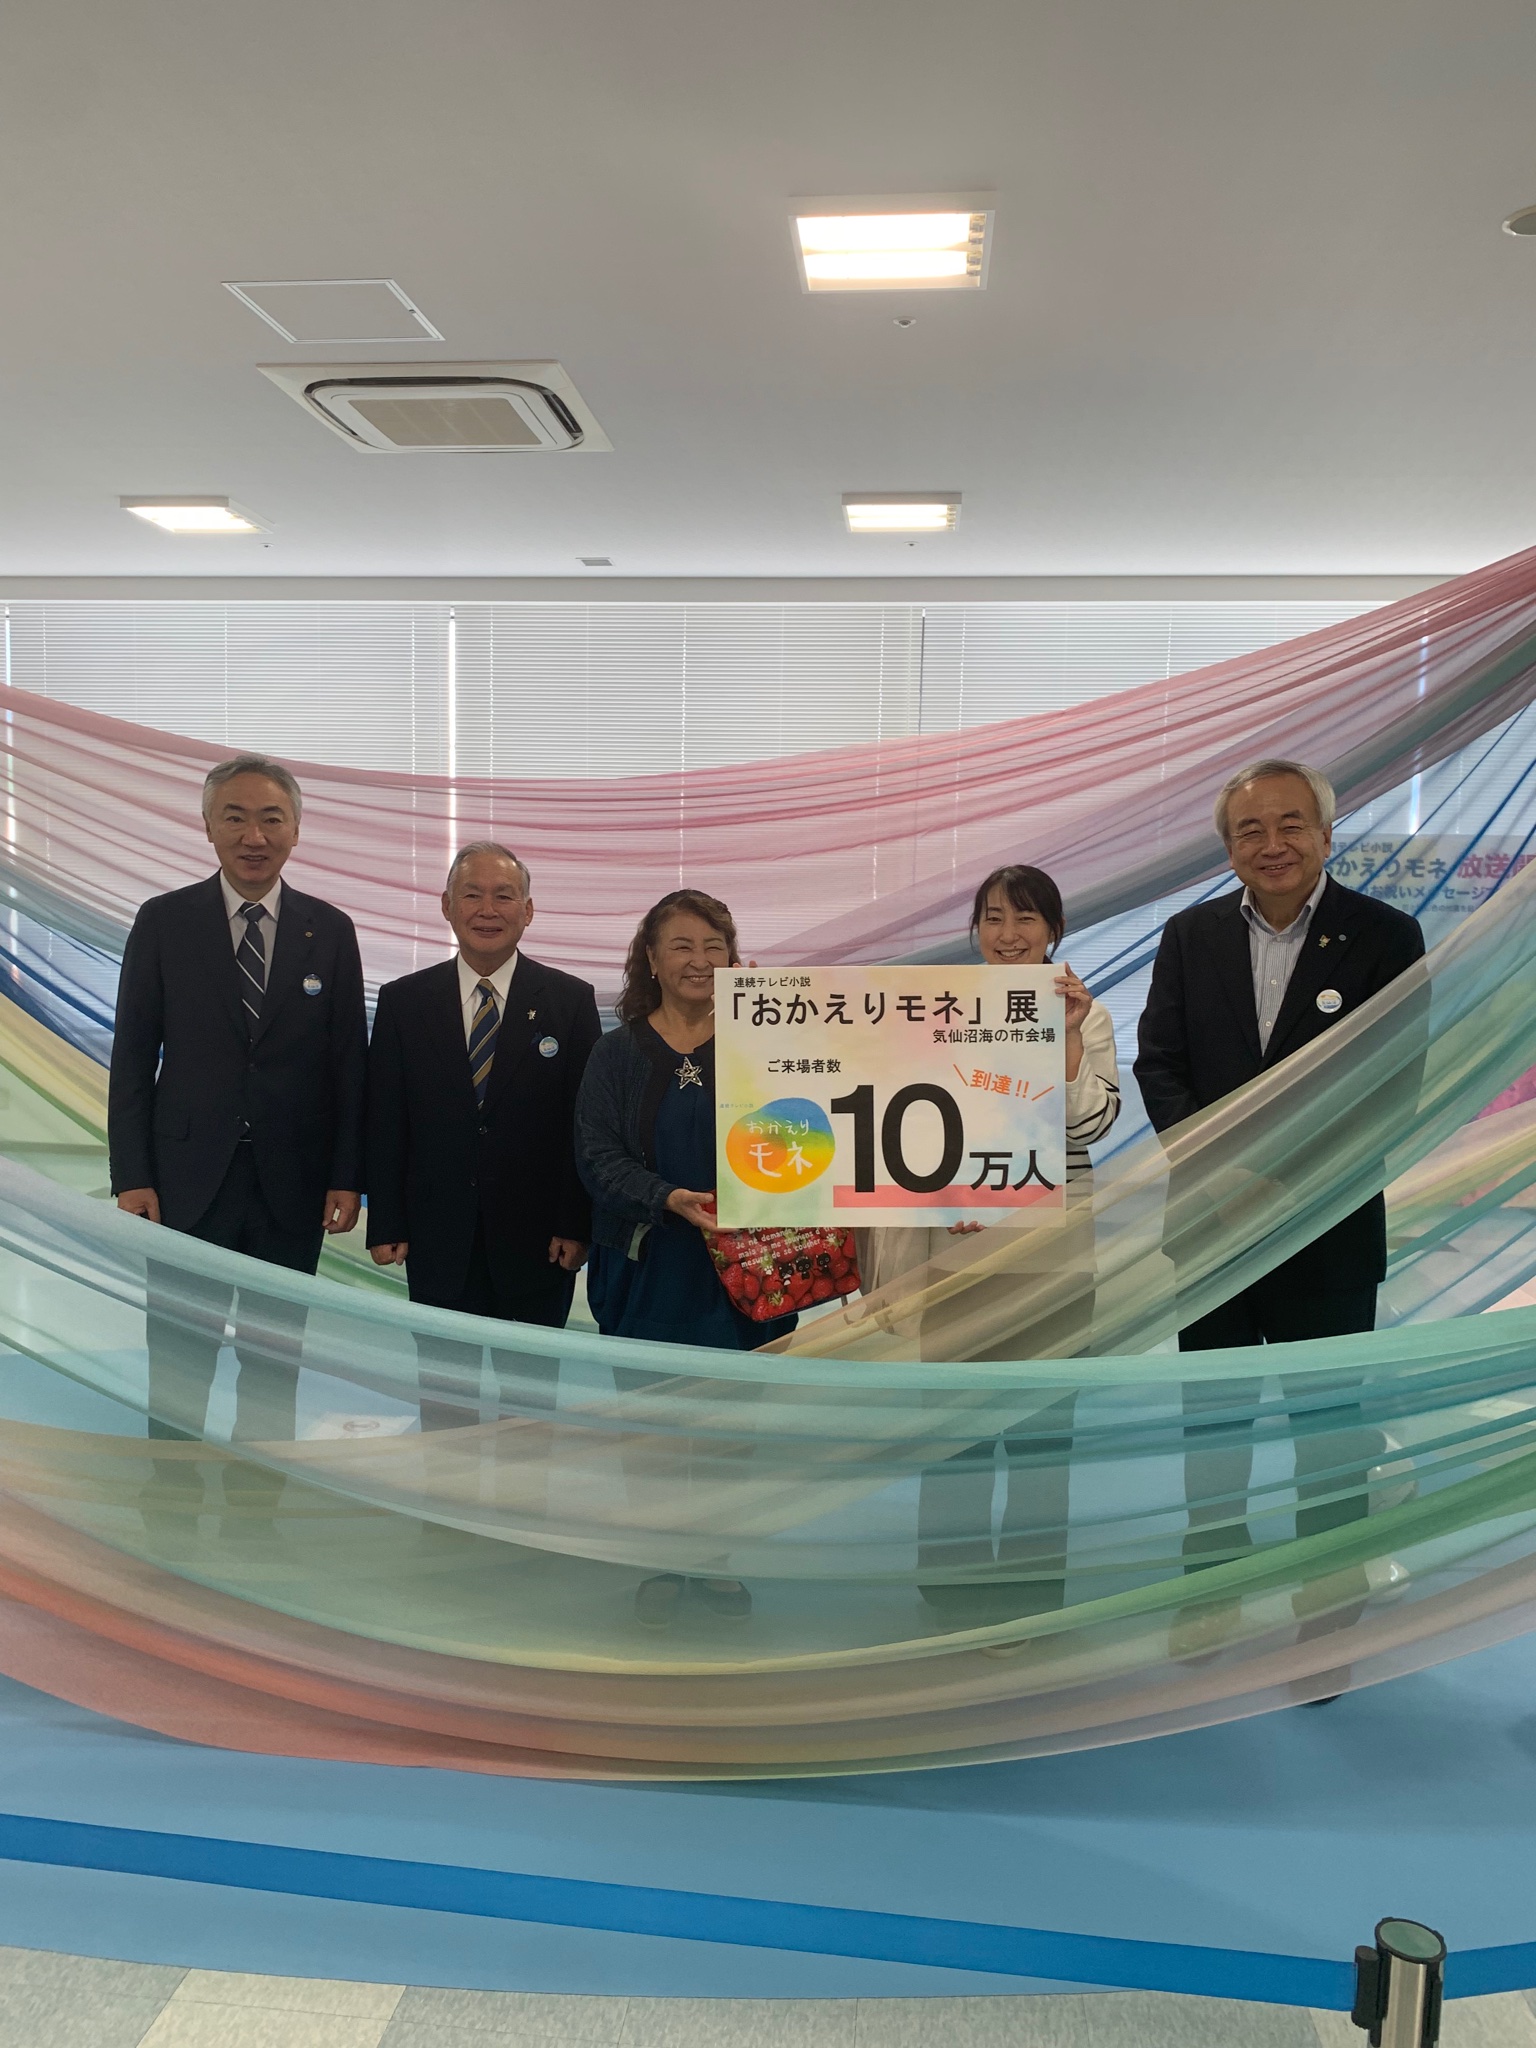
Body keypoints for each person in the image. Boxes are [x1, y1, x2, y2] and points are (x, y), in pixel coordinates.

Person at [1134, 759, 1425, 1658]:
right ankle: (1211, 1590)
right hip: (1210, 1226)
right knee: (1213, 1431)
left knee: (1329, 1435)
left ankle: (1327, 1611)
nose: (1272, 844)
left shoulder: (1385, 936)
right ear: (1228, 848)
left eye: (1291, 824)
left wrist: (1290, 1185)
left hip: (1327, 1229)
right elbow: (1160, 1065)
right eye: (1250, 830)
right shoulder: (1189, 935)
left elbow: (1395, 1083)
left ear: (1326, 834)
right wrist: (1219, 1172)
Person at [108, 754, 367, 1525]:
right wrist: (132, 1174)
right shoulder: (164, 921)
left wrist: (346, 1175)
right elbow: (132, 1055)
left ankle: (259, 1502)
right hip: (184, 1179)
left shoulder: (330, 930)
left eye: (271, 819)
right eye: (236, 817)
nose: (255, 836)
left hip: (293, 1182)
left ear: (296, 830)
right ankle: (171, 1497)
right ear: (208, 826)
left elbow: (348, 1065)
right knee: (178, 1351)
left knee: (273, 1355)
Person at [863, 864, 1120, 1624]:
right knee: (956, 1436)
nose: (1008, 935)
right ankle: (950, 1589)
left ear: (1055, 931)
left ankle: (1032, 1595)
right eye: (994, 918)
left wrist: (1065, 1035)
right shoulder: (935, 1010)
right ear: (975, 929)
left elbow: (1092, 1124)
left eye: (1025, 918)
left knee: (1042, 1437)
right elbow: (900, 1121)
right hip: (955, 1252)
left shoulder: (1087, 1014)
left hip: (1052, 1256)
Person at [575, 888, 794, 1627]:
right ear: (651, 959)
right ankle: (661, 1555)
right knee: (651, 1422)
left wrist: (768, 1028)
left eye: (714, 946)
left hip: (746, 1266)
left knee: (734, 1422)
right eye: (682, 946)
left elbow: (812, 1127)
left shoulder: (766, 1041)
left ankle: (719, 1555)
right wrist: (666, 1197)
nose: (699, 961)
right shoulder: (615, 1052)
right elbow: (595, 1155)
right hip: (648, 1264)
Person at [366, 842, 600, 1430]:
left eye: (504, 895)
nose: (487, 909)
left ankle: (523, 1490)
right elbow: (386, 1118)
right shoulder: (403, 1001)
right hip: (437, 1238)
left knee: (531, 1410)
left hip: (539, 1244)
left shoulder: (571, 1001)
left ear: (529, 910)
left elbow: (583, 1126)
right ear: (446, 906)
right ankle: (446, 1490)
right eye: (472, 894)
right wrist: (387, 1221)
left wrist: (576, 1224)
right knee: (445, 1405)